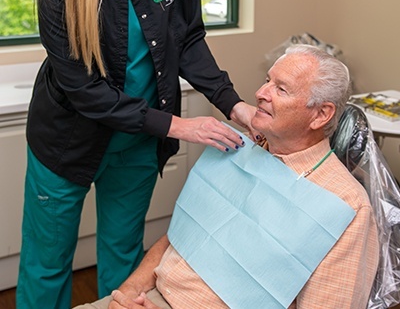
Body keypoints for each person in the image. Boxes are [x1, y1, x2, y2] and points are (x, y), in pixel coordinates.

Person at [16, 0, 259, 308]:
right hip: (66, 143)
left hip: (138, 144)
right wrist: (182, 128)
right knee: (47, 263)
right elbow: (85, 91)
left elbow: (187, 40)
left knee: (124, 258)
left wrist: (233, 104)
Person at [75, 45, 380, 309]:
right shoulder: (239, 151)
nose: (260, 94)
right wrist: (125, 293)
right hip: (148, 295)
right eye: (266, 81)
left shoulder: (344, 207)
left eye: (281, 89)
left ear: (321, 115)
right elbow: (176, 238)